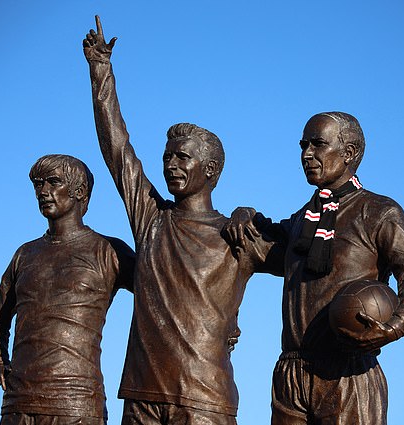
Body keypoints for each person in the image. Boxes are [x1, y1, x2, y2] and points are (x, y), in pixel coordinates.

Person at [82, 16, 282, 425]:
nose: (170, 164)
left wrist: (256, 216)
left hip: (205, 399)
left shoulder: (238, 235)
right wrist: (101, 70)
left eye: (182, 157)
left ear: (210, 169)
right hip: (142, 395)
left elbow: (303, 260)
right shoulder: (152, 218)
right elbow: (117, 149)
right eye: (167, 156)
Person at [224, 112, 404, 425]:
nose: (306, 154)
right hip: (291, 374)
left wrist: (395, 326)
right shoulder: (301, 221)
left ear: (348, 153)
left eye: (318, 145)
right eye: (303, 145)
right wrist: (244, 214)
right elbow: (260, 239)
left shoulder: (378, 211)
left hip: (348, 372)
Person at [0, 154, 135, 425]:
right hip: (18, 405)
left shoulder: (109, 251)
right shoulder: (25, 254)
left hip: (76, 404)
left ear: (79, 191)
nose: (43, 192)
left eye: (53, 183)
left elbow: (164, 293)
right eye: (38, 185)